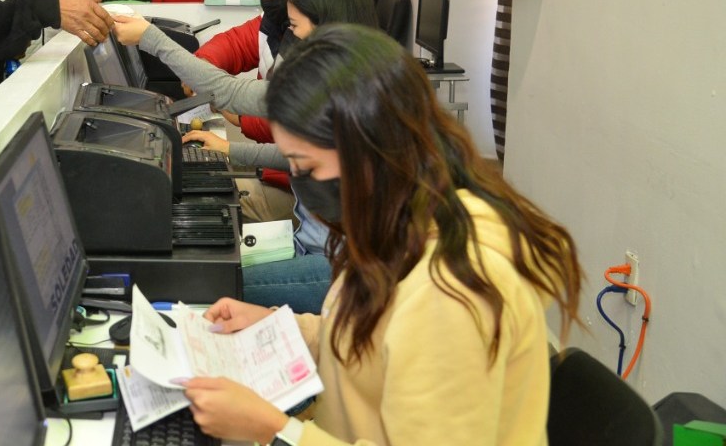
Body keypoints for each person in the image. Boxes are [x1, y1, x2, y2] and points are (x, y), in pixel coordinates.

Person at [178, 23, 583, 446]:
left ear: (368, 149)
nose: (300, 180)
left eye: (307, 166)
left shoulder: (451, 289)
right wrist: (279, 330)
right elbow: (373, 343)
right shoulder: (405, 221)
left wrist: (274, 430)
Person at [112, 0, 379, 314]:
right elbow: (302, 158)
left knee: (207, 284)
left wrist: (151, 37)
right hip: (323, 251)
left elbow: (227, 92)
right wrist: (230, 150)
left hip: (338, 269)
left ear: (326, 29)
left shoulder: (330, 88)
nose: (290, 36)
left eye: (295, 26)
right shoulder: (361, 76)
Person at [193, 0, 317, 224]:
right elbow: (235, 44)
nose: (267, 2)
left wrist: (236, 115)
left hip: (302, 193)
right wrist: (203, 65)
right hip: (282, 173)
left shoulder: (320, 45)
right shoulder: (276, 24)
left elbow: (289, 124)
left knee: (209, 204)